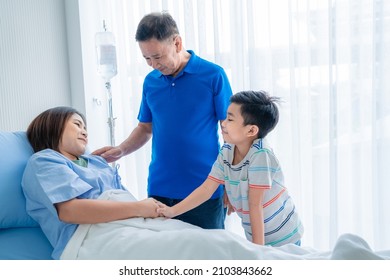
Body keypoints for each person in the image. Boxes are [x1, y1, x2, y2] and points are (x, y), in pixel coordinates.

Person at [93, 12, 233, 229]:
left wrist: (232, 185)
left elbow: (231, 134)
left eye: (158, 57)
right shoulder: (151, 82)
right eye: (147, 58)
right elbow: (145, 128)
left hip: (205, 190)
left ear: (177, 43)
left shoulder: (213, 75)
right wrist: (121, 150)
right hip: (159, 191)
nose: (152, 65)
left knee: (207, 256)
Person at [158, 90, 304, 246]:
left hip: (284, 235)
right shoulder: (227, 150)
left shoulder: (261, 155)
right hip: (259, 234)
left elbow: (256, 205)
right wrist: (172, 211)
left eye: (230, 119)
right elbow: (207, 189)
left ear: (251, 130)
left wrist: (258, 251)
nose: (223, 123)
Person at [21, 106, 161, 260]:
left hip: (131, 225)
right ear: (53, 127)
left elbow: (124, 199)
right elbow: (70, 211)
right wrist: (140, 208)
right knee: (185, 244)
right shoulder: (44, 160)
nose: (85, 132)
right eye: (77, 124)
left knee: (186, 234)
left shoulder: (97, 162)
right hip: (87, 238)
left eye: (85, 127)